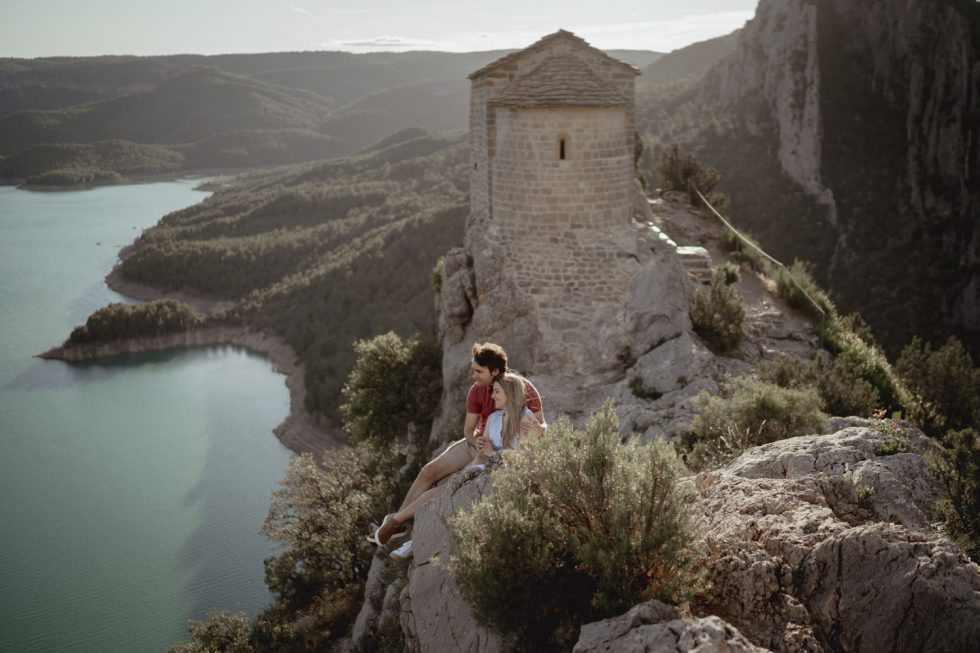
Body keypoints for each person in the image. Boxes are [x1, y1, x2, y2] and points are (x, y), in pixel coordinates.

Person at [368, 342, 545, 548]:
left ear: (495, 371)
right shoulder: (476, 391)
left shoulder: (522, 388)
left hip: (500, 451)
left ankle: (412, 539)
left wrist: (502, 451)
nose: (474, 375)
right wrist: (476, 443)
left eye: (479, 371)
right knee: (429, 471)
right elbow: (469, 430)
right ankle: (397, 524)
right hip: (476, 443)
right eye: (473, 370)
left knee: (447, 488)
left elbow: (538, 426)